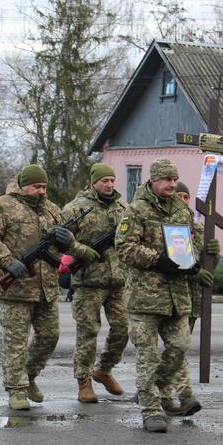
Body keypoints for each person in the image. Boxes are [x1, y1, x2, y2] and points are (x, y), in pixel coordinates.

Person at [116, 158, 213, 433]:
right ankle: (151, 410)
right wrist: (157, 259)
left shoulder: (182, 210)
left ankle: (152, 391)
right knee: (147, 356)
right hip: (146, 297)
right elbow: (123, 247)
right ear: (154, 181)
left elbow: (193, 241)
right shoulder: (136, 211)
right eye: (167, 180)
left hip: (177, 296)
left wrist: (193, 259)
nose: (172, 184)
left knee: (180, 346)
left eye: (175, 179)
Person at [0, 164, 72, 411]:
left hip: (46, 288)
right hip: (16, 288)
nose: (42, 191)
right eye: (36, 187)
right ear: (23, 186)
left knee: (50, 336)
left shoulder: (52, 210)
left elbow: (64, 244)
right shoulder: (2, 206)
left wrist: (68, 240)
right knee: (15, 341)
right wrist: (8, 261)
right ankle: (16, 389)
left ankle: (29, 375)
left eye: (44, 187)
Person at [61, 162, 129, 404]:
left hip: (119, 281)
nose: (109, 185)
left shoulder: (124, 207)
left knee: (123, 329)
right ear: (94, 182)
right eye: (104, 181)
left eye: (112, 180)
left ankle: (104, 370)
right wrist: (81, 250)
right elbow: (59, 239)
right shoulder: (75, 208)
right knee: (88, 333)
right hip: (88, 282)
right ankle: (84, 382)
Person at [159, 180, 217, 416]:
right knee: (176, 349)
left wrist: (214, 254)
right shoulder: (166, 227)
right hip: (164, 296)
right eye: (179, 196)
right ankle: (182, 394)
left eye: (186, 197)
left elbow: (208, 268)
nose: (182, 201)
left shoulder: (200, 228)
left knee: (178, 349)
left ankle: (161, 392)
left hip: (191, 299)